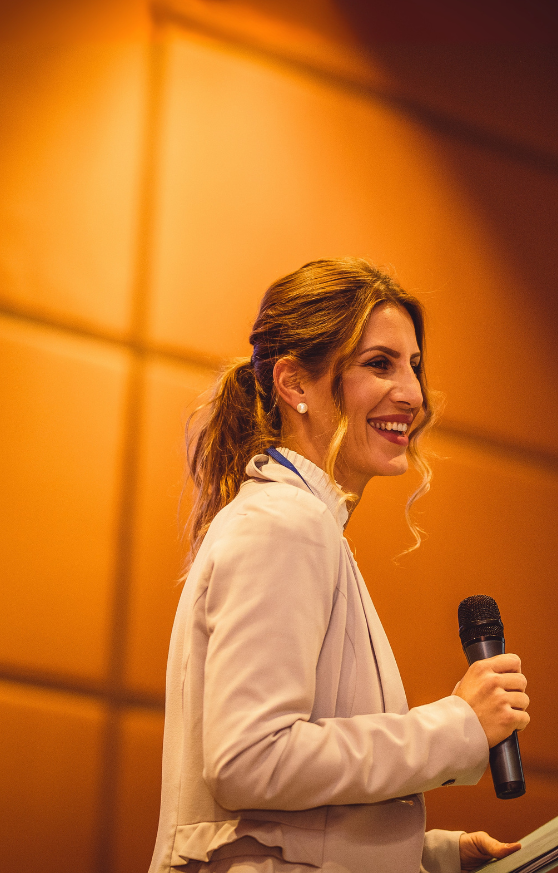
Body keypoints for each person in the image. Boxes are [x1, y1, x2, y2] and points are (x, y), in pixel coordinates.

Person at [148, 258, 530, 873]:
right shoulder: (284, 524)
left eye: (415, 367)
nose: (413, 395)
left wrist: (429, 855)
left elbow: (274, 825)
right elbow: (251, 762)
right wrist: (457, 725)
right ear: (295, 383)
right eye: (379, 364)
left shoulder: (305, 523)